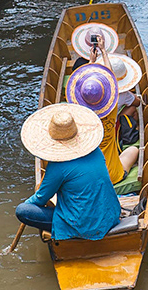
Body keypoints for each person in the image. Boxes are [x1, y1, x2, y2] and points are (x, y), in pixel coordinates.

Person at [14, 103, 120, 240]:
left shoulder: (57, 166)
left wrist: (28, 204)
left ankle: (70, 232)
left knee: (22, 211)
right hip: (110, 214)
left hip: (80, 224)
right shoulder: (96, 151)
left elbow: (41, 198)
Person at [67, 28, 139, 184]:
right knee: (134, 150)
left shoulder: (79, 117)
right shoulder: (112, 110)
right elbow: (111, 79)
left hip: (88, 179)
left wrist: (90, 63)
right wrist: (104, 51)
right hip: (112, 176)